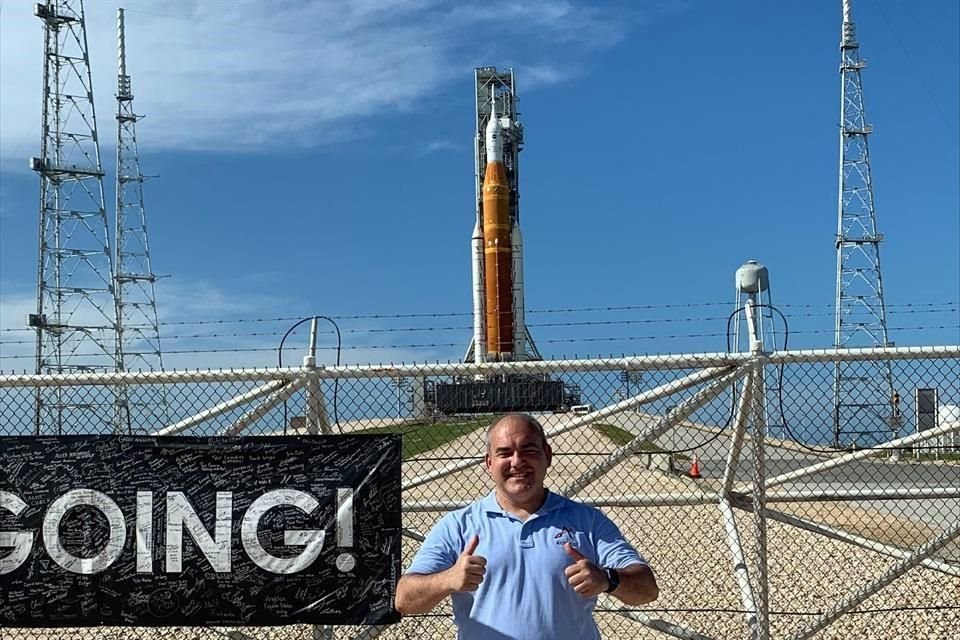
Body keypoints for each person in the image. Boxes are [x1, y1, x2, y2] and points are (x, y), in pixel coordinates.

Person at [394, 412, 658, 639]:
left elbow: (647, 590)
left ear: (547, 456)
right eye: (504, 453)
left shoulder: (586, 521)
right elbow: (403, 599)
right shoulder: (458, 525)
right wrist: (448, 580)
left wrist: (608, 579)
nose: (517, 462)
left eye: (529, 451)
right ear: (489, 463)